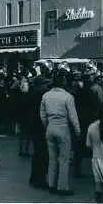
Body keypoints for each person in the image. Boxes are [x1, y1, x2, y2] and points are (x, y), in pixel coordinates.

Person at [40, 68, 80, 196]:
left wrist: (47, 124)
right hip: (63, 128)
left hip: (50, 128)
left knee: (52, 159)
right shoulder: (68, 97)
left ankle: (51, 184)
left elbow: (42, 115)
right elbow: (73, 117)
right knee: (64, 159)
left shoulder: (46, 95)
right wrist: (78, 131)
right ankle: (62, 186)